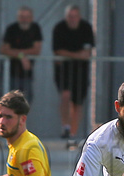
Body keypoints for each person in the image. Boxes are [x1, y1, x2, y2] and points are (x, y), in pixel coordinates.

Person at [52, 4, 94, 139]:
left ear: (79, 17)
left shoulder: (86, 28)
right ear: (66, 17)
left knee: (77, 103)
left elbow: (87, 52)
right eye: (70, 16)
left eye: (75, 16)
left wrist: (69, 55)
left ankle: (73, 133)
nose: (73, 19)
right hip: (63, 70)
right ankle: (65, 126)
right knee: (65, 96)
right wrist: (77, 55)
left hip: (81, 71)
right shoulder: (59, 28)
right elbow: (58, 51)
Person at [0, 6, 43, 103]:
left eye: (27, 17)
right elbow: (4, 49)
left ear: (31, 18)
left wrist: (19, 53)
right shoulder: (12, 29)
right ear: (18, 17)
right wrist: (21, 56)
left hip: (27, 73)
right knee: (10, 102)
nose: (24, 19)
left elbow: (37, 50)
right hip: (11, 72)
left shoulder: (35, 28)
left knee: (26, 102)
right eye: (22, 16)